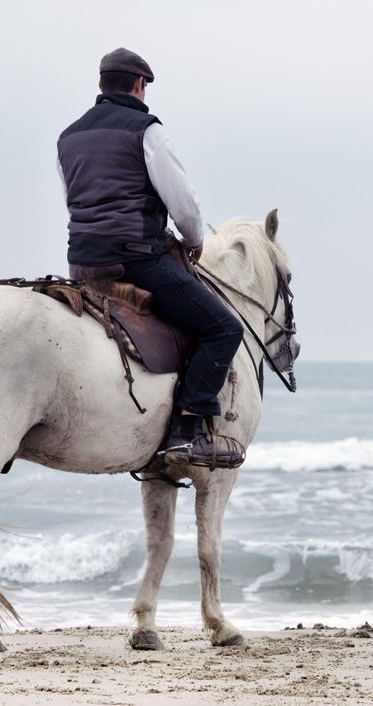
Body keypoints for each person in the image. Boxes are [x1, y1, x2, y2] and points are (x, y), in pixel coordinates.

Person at [56, 47, 245, 468]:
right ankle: (185, 433)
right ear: (139, 86)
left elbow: (74, 199)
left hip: (83, 263)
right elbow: (184, 206)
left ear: (100, 85)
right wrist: (193, 238)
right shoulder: (147, 130)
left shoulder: (67, 137)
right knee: (222, 328)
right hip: (137, 261)